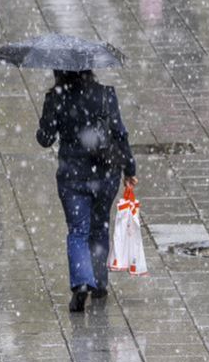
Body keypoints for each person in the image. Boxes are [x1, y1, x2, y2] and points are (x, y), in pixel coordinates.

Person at [36, 70, 138, 313]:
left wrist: (46, 124)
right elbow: (120, 133)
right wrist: (129, 168)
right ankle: (100, 282)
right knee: (100, 224)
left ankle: (82, 282)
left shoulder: (55, 97)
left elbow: (45, 139)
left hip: (72, 176)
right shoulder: (105, 95)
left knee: (78, 230)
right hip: (105, 175)